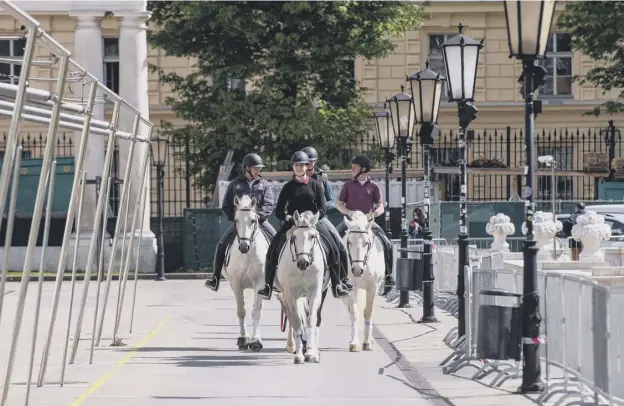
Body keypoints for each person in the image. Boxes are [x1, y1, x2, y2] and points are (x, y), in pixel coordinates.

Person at [257, 151, 350, 300]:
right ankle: (268, 286)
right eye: (296, 165)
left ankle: (338, 283)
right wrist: (288, 217)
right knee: (272, 248)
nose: (299, 168)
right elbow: (279, 211)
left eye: (302, 165)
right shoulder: (288, 187)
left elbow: (322, 208)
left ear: (307, 166)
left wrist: (313, 217)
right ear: (293, 167)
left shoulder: (316, 185)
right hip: (293, 223)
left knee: (333, 247)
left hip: (312, 223)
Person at [205, 153, 276, 291]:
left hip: (259, 222)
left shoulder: (264, 185)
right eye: (256, 168)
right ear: (247, 168)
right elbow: (226, 206)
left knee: (277, 241)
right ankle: (215, 277)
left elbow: (269, 205)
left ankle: (276, 278)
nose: (258, 171)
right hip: (241, 224)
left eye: (259, 168)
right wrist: (238, 219)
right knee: (222, 244)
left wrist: (257, 216)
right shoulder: (234, 184)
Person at [336, 155, 396, 289]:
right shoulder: (348, 185)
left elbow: (380, 206)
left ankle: (388, 275)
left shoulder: (373, 186)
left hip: (367, 222)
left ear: (363, 169)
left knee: (387, 242)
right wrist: (349, 212)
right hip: (351, 222)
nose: (352, 168)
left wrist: (373, 214)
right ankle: (336, 275)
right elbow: (339, 205)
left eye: (355, 166)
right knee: (335, 240)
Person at [302, 146, 353, 291]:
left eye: (311, 162)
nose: (308, 165)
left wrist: (321, 206)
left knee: (340, 246)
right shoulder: (297, 178)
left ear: (315, 162)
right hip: (301, 220)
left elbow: (332, 201)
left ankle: (342, 280)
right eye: (306, 162)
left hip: (319, 218)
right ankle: (274, 278)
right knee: (278, 242)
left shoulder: (323, 179)